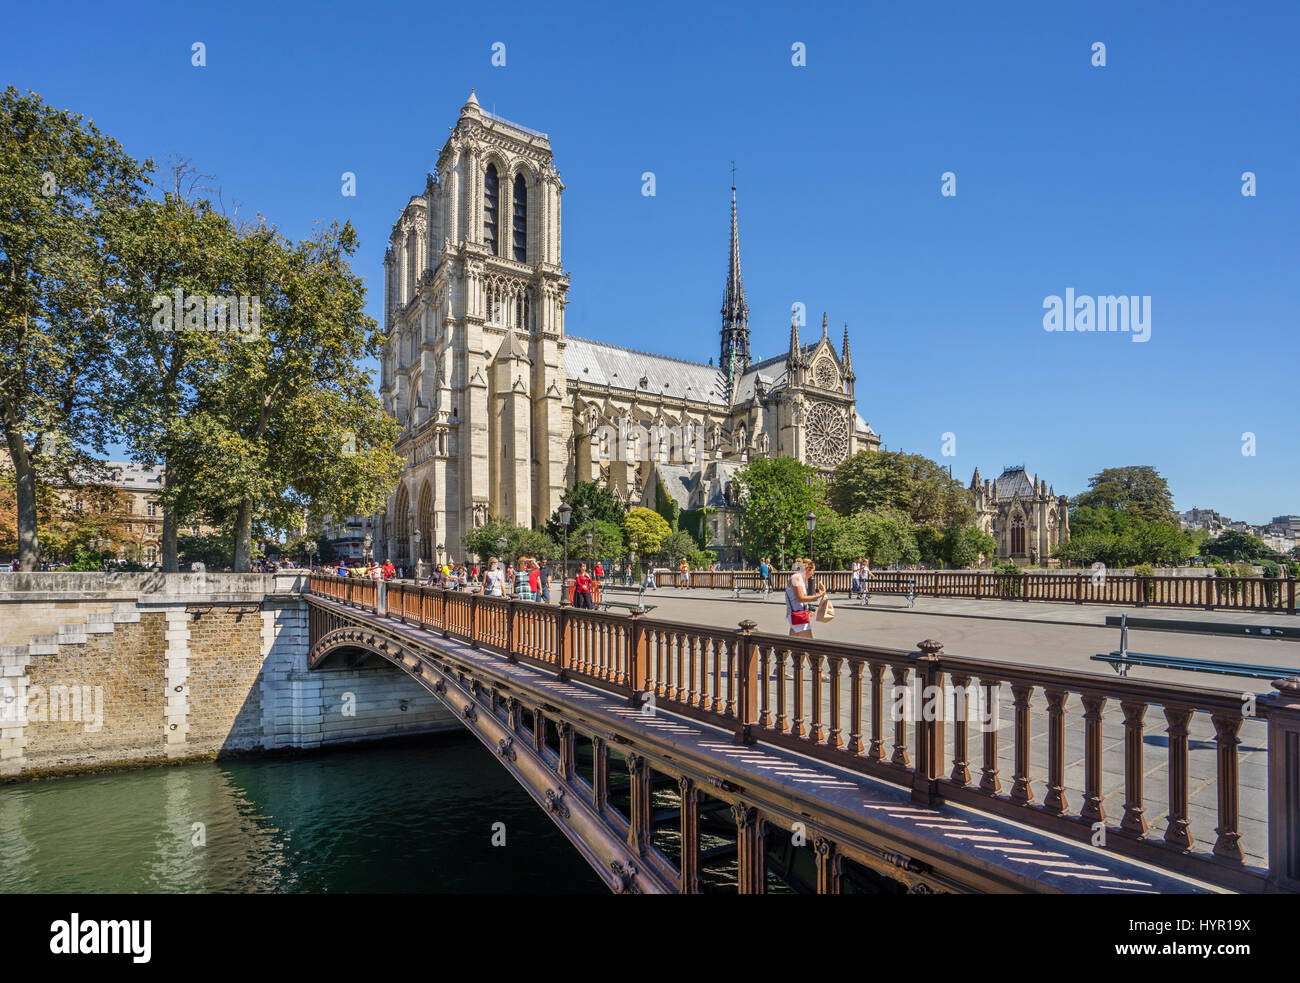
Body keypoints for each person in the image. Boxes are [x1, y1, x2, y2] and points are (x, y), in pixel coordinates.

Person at [786, 558, 826, 638]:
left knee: (793, 642)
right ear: (807, 569)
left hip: (797, 614)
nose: (813, 573)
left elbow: (798, 600)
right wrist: (818, 596)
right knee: (809, 644)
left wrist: (807, 609)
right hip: (798, 614)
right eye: (813, 571)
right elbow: (800, 598)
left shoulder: (800, 578)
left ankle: (786, 650)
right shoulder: (797, 578)